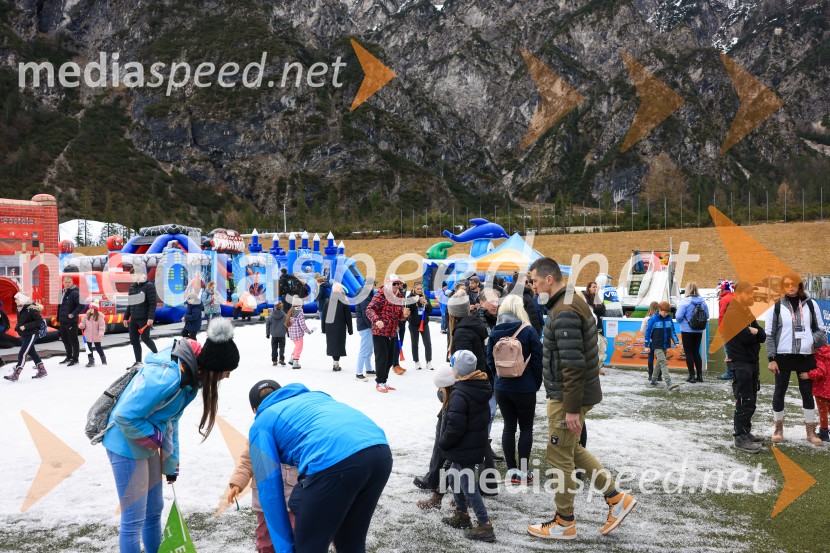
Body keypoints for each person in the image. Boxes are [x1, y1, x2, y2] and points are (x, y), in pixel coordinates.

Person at [103, 318, 240, 553]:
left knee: (154, 511)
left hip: (146, 440)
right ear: (214, 368)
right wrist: (156, 439)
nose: (226, 378)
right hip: (125, 442)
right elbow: (125, 416)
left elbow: (170, 421)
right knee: (134, 518)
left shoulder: (191, 377)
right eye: (226, 372)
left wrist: (170, 462)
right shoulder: (168, 378)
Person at [527, 257, 636, 540]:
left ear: (549, 279)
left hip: (567, 396)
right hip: (569, 394)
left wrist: (571, 409)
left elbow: (572, 365)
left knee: (559, 457)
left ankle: (565, 522)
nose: (532, 285)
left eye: (534, 280)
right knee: (572, 450)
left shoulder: (563, 310)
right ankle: (616, 498)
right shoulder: (569, 301)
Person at [249, 382, 392, 553]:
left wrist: (285, 550)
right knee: (351, 542)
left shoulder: (262, 423)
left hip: (335, 462)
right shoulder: (316, 396)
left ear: (255, 410)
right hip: (379, 452)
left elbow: (269, 490)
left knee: (309, 546)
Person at [226, 380, 299, 553]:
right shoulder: (257, 432)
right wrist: (237, 483)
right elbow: (247, 461)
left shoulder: (293, 428)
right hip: (265, 500)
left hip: (292, 498)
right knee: (265, 535)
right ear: (255, 411)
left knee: (296, 534)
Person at [439, 350, 496, 543]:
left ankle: (485, 525)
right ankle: (462, 514)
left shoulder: (461, 394)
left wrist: (444, 442)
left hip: (464, 447)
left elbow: (455, 427)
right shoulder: (478, 386)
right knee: (455, 476)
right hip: (471, 445)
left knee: (468, 485)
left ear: (458, 370)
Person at [486, 294, 543, 484]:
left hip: (502, 387)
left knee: (509, 427)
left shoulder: (495, 331)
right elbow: (537, 360)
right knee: (526, 428)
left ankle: (512, 471)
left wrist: (498, 378)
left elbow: (489, 360)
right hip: (525, 387)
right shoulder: (528, 330)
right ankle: (525, 472)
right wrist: (535, 384)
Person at [765, 274, 826, 446]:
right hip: (782, 357)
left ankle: (810, 431)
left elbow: (821, 330)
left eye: (794, 284)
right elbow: (770, 335)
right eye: (787, 284)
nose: (791, 287)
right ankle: (778, 428)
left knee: (807, 394)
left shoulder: (811, 304)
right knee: (780, 392)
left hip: (805, 356)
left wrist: (810, 340)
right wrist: (771, 358)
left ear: (800, 286)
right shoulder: (777, 306)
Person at [447, 290, 498, 493]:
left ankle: (443, 480)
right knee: (480, 435)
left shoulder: (462, 332)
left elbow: (463, 363)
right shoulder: (475, 325)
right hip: (483, 382)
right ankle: (489, 483)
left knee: (470, 435)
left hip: (471, 386)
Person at [724, 282, 767, 453]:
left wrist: (756, 332)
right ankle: (740, 438)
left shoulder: (746, 311)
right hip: (740, 363)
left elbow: (761, 335)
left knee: (750, 400)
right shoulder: (734, 313)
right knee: (744, 400)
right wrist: (755, 333)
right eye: (749, 294)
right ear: (740, 294)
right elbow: (746, 337)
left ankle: (745, 432)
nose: (752, 297)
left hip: (750, 362)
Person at [415, 364, 455, 509]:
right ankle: (441, 498)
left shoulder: (456, 401)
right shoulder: (457, 394)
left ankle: (460, 502)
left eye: (441, 390)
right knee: (453, 467)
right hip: (462, 441)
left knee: (453, 466)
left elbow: (449, 429)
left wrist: (444, 442)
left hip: (461, 442)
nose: (439, 393)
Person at [366, 274, 410, 393]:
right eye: (394, 284)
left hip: (392, 332)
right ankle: (379, 382)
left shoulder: (399, 297)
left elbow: (399, 316)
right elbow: (369, 309)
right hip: (379, 331)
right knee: (382, 358)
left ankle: (384, 381)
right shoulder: (381, 294)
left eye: (398, 284)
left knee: (390, 359)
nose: (397, 286)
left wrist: (404, 315)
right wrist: (376, 320)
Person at [4, 292, 46, 381]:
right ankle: (42, 370)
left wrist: (26, 326)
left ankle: (16, 374)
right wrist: (17, 328)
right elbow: (21, 321)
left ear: (22, 300)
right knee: (32, 352)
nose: (15, 301)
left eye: (17, 299)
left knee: (22, 353)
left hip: (31, 334)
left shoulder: (30, 309)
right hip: (24, 334)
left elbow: (40, 321)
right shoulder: (20, 308)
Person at [123, 267, 158, 369]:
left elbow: (153, 303)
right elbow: (130, 304)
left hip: (144, 318)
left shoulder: (149, 286)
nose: (133, 278)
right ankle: (138, 361)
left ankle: (157, 355)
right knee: (134, 340)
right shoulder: (132, 287)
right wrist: (126, 317)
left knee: (145, 338)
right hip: (133, 318)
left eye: (134, 276)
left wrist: (150, 317)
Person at [675, 282, 709, 383]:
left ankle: (692, 376)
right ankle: (700, 376)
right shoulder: (702, 301)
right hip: (698, 330)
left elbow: (678, 316)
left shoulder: (684, 301)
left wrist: (683, 322)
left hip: (687, 330)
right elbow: (706, 315)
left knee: (688, 353)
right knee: (696, 352)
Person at [644, 301, 681, 391]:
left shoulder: (669, 319)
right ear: (659, 310)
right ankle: (668, 382)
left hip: (665, 344)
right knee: (663, 362)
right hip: (656, 345)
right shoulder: (653, 319)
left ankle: (653, 380)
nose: (666, 314)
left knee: (659, 363)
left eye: (667, 312)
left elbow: (672, 331)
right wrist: (647, 345)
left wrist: (676, 341)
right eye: (664, 312)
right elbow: (648, 333)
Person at [321, 283, 353, 372]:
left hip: (329, 327)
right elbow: (348, 317)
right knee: (339, 344)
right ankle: (336, 361)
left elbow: (324, 317)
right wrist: (350, 329)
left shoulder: (328, 302)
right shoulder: (344, 302)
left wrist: (323, 328)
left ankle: (335, 361)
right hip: (340, 327)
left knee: (332, 344)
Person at [801, 344, 830, 443]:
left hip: (822, 390)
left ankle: (824, 433)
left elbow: (821, 371)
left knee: (823, 412)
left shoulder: (818, 355)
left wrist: (808, 375)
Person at [407, 282, 433, 370]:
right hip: (413, 324)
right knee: (414, 343)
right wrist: (417, 301)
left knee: (428, 343)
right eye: (417, 288)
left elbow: (430, 311)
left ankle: (428, 361)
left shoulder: (425, 297)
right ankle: (416, 361)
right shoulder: (410, 298)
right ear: (414, 289)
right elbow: (408, 309)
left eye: (420, 288)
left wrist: (426, 304)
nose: (419, 290)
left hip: (424, 323)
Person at [58, 275, 82, 366]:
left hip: (71, 321)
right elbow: (60, 307)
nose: (67, 284)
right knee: (65, 340)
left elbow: (81, 305)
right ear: (63, 282)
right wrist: (58, 318)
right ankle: (68, 357)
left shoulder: (75, 293)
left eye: (69, 282)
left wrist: (73, 314)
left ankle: (75, 359)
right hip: (63, 321)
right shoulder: (62, 292)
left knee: (73, 340)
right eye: (65, 282)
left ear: (72, 283)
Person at [583, 281, 607, 368]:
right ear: (589, 288)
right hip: (591, 325)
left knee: (601, 345)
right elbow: (595, 310)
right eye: (593, 287)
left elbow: (603, 311)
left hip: (599, 325)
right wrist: (599, 307)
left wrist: (597, 297)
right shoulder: (586, 297)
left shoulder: (597, 297)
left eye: (596, 287)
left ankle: (598, 365)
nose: (595, 289)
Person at [355, 280, 375, 381]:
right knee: (364, 350)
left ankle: (369, 369)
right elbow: (366, 313)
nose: (373, 287)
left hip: (367, 326)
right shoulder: (364, 295)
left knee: (369, 349)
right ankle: (358, 373)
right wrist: (372, 326)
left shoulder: (367, 294)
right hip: (365, 326)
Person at [717, 280, 736, 380]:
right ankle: (734, 370)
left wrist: (721, 328)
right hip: (735, 327)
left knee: (728, 350)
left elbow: (722, 315)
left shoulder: (724, 299)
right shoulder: (733, 296)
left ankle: (730, 371)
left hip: (727, 328)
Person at [286, 303, 314, 370]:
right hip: (298, 334)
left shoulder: (291, 311)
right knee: (299, 348)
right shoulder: (300, 313)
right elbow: (302, 325)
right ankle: (295, 361)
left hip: (292, 333)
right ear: (299, 304)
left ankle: (292, 359)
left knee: (297, 346)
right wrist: (308, 331)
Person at [80, 301, 107, 367]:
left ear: (95, 310)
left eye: (92, 309)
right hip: (88, 335)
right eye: (89, 308)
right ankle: (91, 361)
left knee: (98, 348)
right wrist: (81, 325)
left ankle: (103, 359)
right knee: (88, 349)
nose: (90, 310)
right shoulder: (86, 316)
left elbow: (102, 327)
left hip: (96, 336)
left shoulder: (100, 318)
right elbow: (83, 323)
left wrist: (101, 333)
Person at [640, 302, 660, 381]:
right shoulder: (660, 318)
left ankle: (650, 375)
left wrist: (647, 336)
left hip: (650, 340)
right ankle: (659, 375)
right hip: (659, 340)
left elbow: (642, 330)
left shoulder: (647, 318)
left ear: (650, 309)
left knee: (650, 357)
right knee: (659, 357)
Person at [266, 301, 288, 366]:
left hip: (274, 334)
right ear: (281, 307)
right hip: (282, 334)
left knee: (274, 348)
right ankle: (281, 359)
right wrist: (288, 332)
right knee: (282, 347)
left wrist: (268, 333)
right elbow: (287, 324)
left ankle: (274, 360)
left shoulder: (271, 315)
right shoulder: (284, 315)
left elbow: (268, 324)